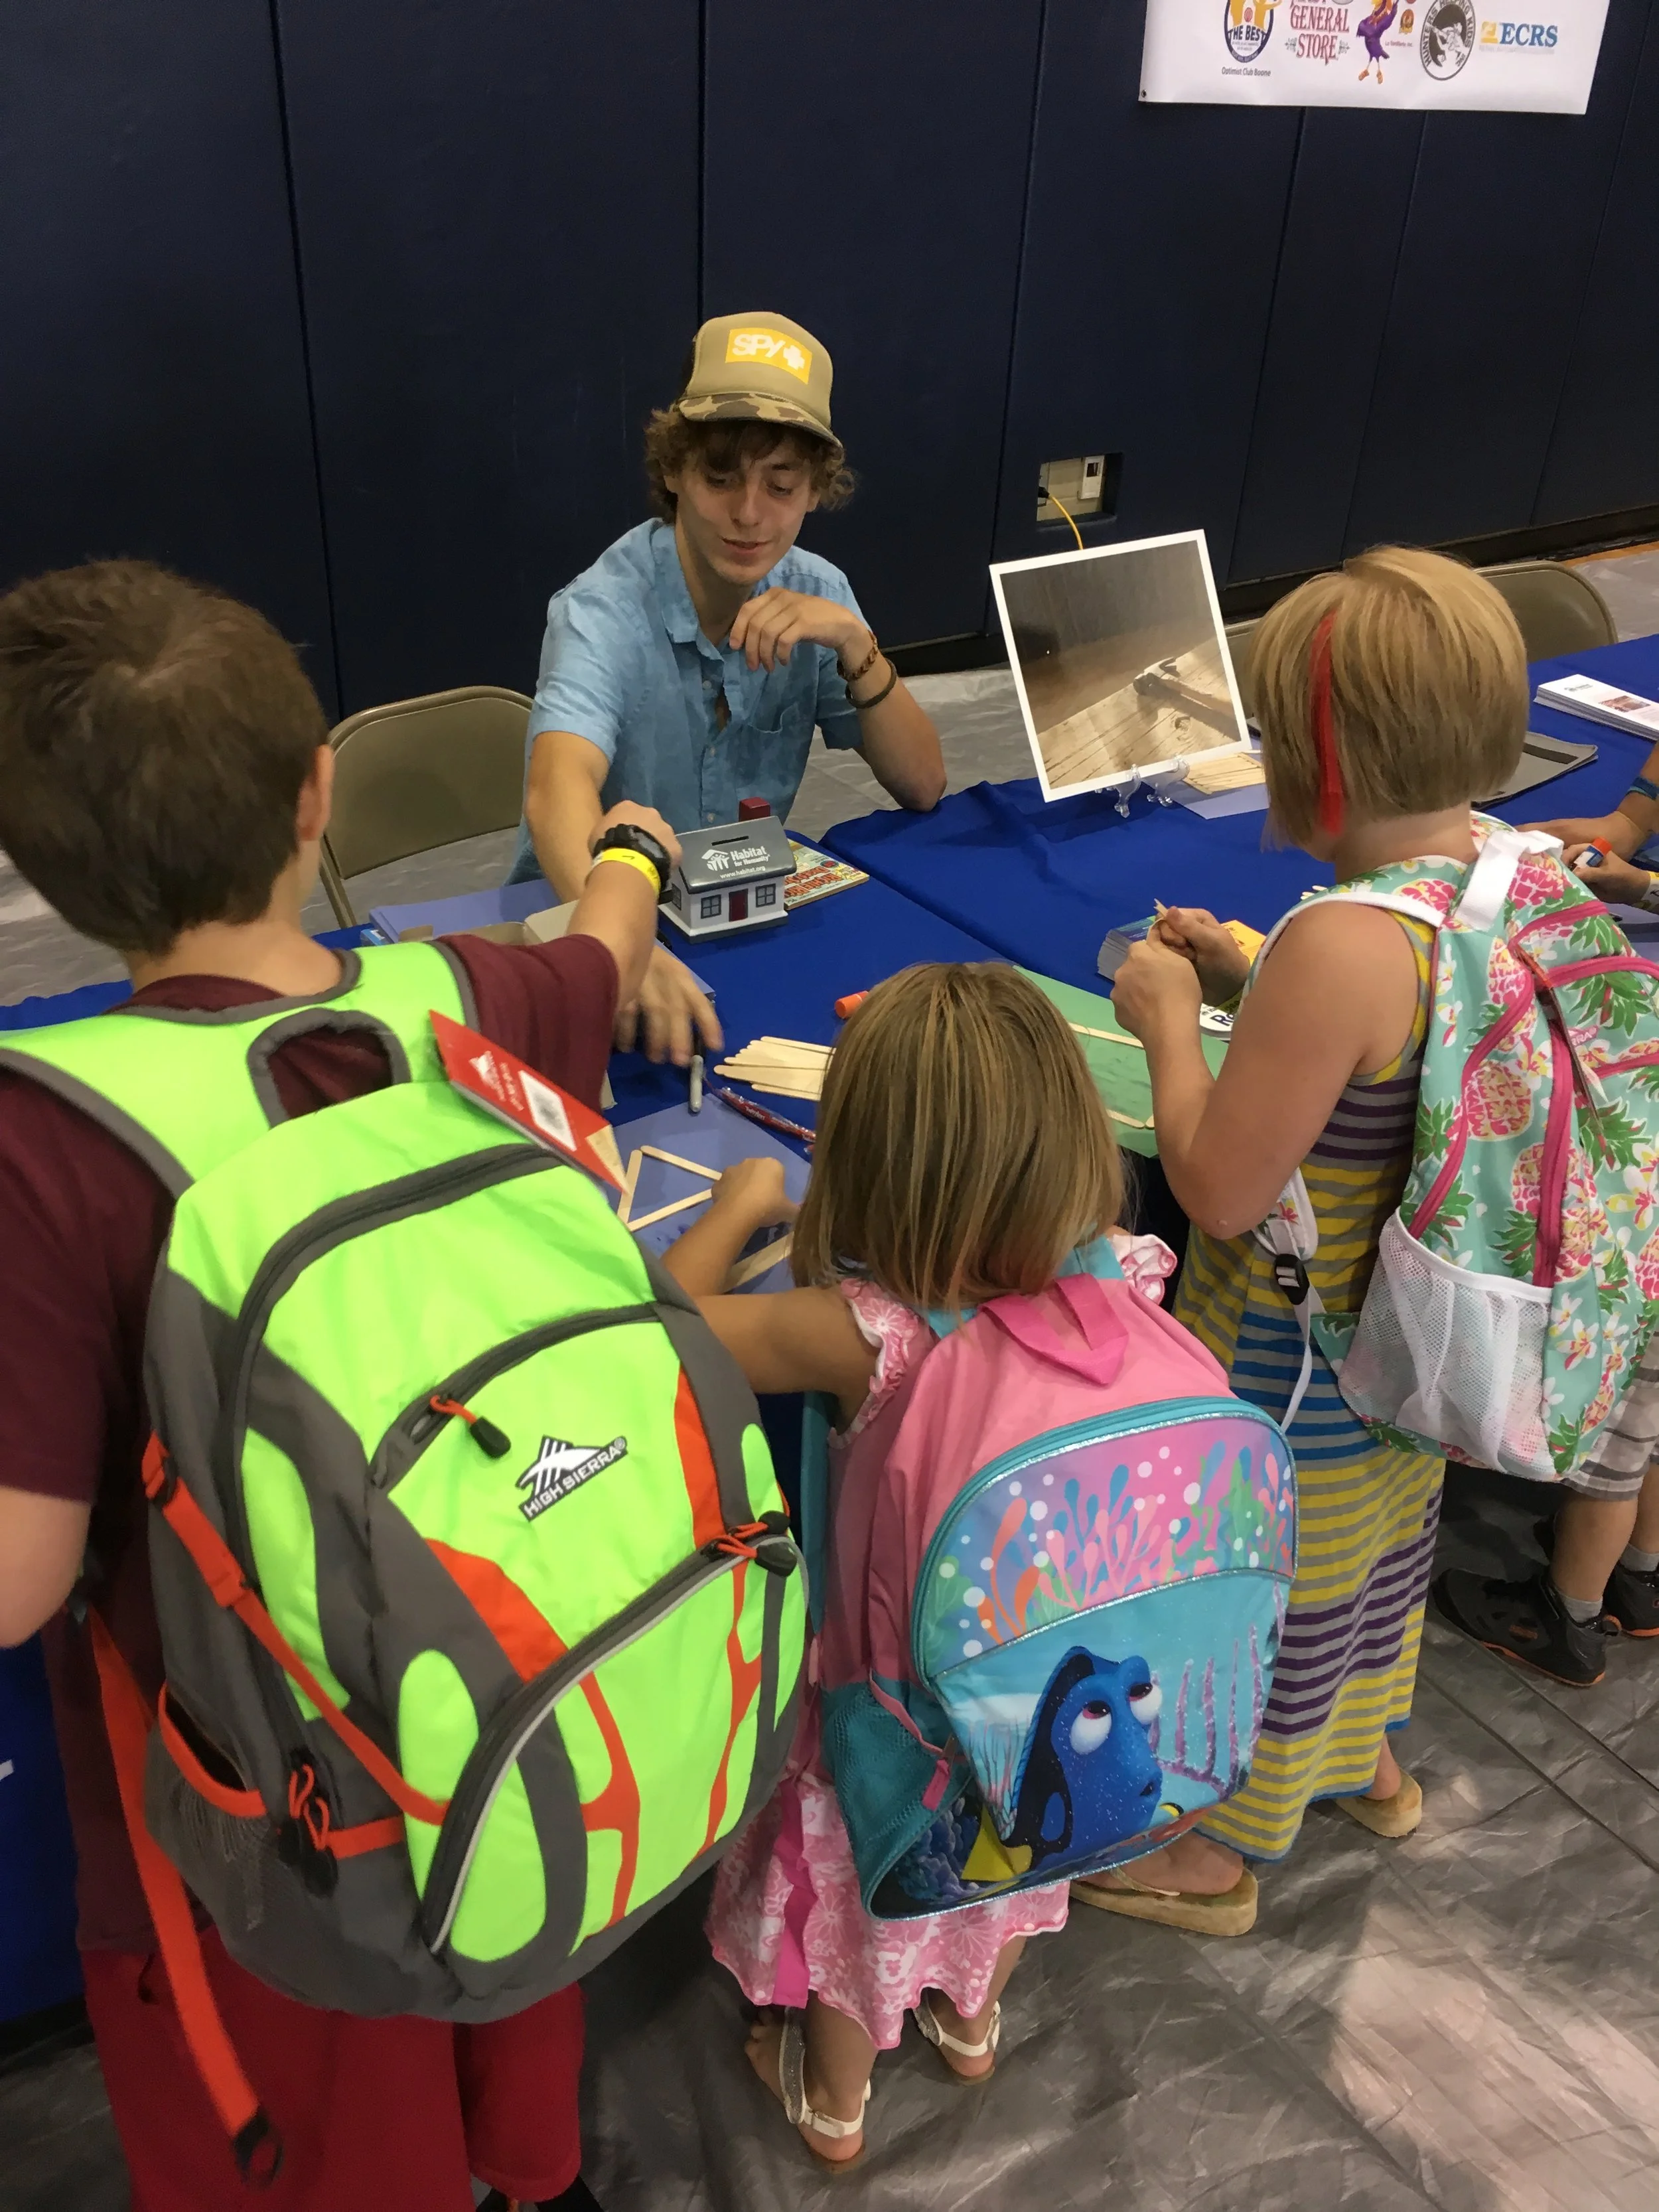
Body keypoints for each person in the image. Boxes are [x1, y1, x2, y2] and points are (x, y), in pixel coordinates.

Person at [0, 559, 680, 2212]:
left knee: (327, 2119)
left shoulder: (44, 1144)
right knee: (509, 2005)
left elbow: (20, 1581)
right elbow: (599, 941)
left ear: (39, 875)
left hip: (259, 1823)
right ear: (320, 796)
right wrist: (640, 853)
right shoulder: (467, 999)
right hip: (512, 1713)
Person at [660, 962, 1173, 2166]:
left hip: (888, 1712)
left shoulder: (864, 1330)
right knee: (1009, 1865)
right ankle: (974, 2021)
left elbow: (661, 1340)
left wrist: (735, 1206)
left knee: (862, 1897)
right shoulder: (1127, 1269)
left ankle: (833, 2101)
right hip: (1048, 1693)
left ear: (870, 1165)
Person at [1105, 548, 1530, 1925]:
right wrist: (1250, 974)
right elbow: (1398, 1058)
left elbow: (1220, 1188)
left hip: (1293, 1361)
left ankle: (1217, 1846)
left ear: (1319, 762)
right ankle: (1370, 1761)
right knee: (1379, 1554)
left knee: (1258, 1587)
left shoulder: (1339, 942)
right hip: (1432, 1339)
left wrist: (1173, 1021)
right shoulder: (1500, 880)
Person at [508, 310, 945, 1067]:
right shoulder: (601, 610)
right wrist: (617, 942)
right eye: (719, 478)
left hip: (736, 918)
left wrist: (851, 640)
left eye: (781, 485)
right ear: (673, 471)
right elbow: (556, 789)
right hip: (584, 919)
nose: (749, 514)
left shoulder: (820, 594)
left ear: (815, 491)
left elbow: (924, 784)